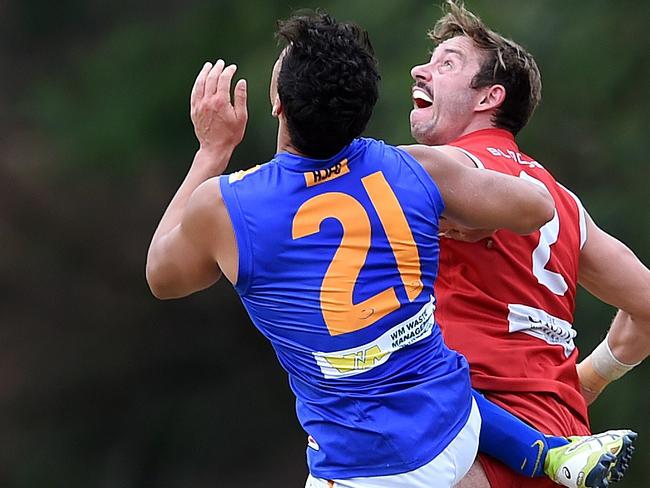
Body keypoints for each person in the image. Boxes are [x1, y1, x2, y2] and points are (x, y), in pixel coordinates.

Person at [145, 11, 633, 488]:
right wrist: (461, 219)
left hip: (368, 462)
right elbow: (537, 204)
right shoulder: (414, 170)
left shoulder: (227, 207)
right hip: (458, 428)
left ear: (278, 104)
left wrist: (211, 152)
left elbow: (161, 276)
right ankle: (548, 454)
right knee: (420, 358)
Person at [408, 2, 649, 487]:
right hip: (567, 444)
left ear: (488, 97)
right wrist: (591, 378)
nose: (422, 69)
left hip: (473, 440)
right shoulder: (565, 201)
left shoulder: (452, 173)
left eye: (447, 63)